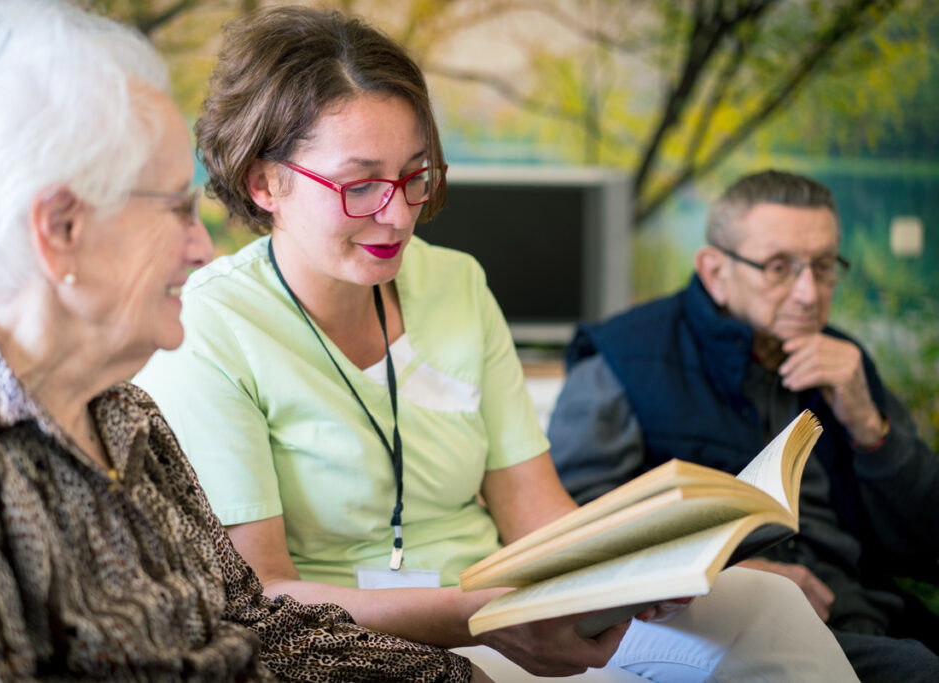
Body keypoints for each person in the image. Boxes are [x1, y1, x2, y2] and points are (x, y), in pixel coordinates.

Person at [135, 8, 857, 681]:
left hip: (515, 605)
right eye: (360, 185)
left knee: (769, 606)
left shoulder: (455, 283)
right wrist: (482, 615)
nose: (397, 215)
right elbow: (262, 593)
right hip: (376, 640)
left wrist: (677, 562)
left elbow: (537, 514)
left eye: (415, 175)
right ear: (266, 182)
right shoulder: (213, 326)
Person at [0, 0, 479, 679]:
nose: (201, 245)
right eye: (176, 207)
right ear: (60, 228)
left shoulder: (126, 414)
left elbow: (252, 622)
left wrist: (449, 674)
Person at [548, 169, 939, 682]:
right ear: (714, 271)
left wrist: (871, 428)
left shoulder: (847, 364)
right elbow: (573, 527)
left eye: (823, 267)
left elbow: (925, 544)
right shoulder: (622, 358)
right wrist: (736, 576)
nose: (808, 293)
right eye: (780, 267)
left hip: (868, 612)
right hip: (719, 627)